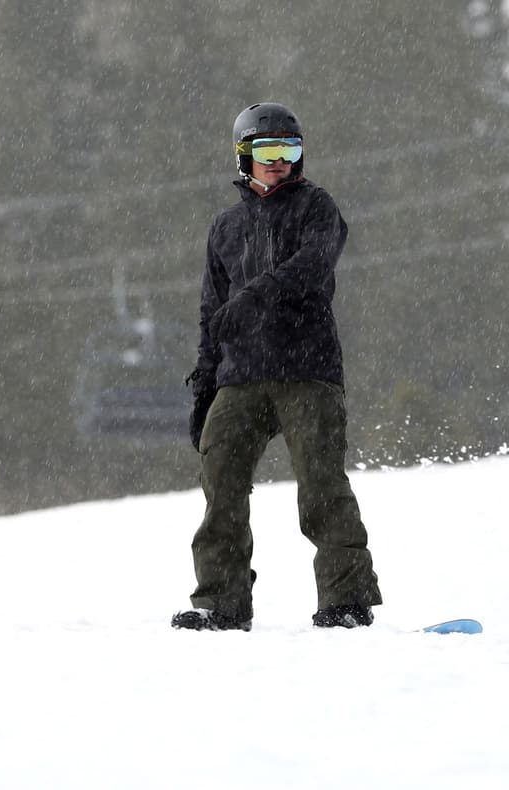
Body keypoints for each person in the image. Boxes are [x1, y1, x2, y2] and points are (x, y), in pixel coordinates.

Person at [171, 102, 382, 632]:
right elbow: (210, 313)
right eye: (267, 152)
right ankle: (220, 602)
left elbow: (314, 265)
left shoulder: (316, 208)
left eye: (289, 150)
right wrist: (204, 387)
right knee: (220, 484)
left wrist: (259, 294)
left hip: (306, 371)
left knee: (320, 484)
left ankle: (346, 600)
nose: (279, 162)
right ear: (244, 157)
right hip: (240, 376)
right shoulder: (225, 228)